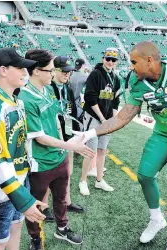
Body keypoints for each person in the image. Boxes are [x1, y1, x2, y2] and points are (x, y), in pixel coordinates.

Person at [74, 41, 167, 250]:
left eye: (133, 62)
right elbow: (122, 118)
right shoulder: (137, 83)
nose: (130, 67)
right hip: (163, 133)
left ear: (149, 60)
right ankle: (157, 219)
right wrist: (90, 132)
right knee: (145, 175)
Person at [18, 49, 94, 250]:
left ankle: (62, 229)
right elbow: (40, 138)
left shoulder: (49, 90)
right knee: (35, 205)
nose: (53, 74)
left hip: (59, 158)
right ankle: (35, 238)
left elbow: (57, 122)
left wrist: (66, 142)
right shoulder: (25, 98)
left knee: (61, 198)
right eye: (50, 70)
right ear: (35, 71)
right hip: (40, 163)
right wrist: (71, 146)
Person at [0, 48, 47, 250]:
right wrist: (21, 196)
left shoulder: (17, 101)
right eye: (20, 68)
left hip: (19, 181)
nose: (25, 72)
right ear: (3, 70)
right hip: (1, 189)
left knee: (16, 229)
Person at [79, 47, 123, 196]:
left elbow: (116, 100)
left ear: (116, 62)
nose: (110, 62)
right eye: (108, 59)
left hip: (106, 120)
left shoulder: (116, 78)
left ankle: (99, 180)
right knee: (90, 152)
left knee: (102, 151)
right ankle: (83, 181)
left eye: (113, 60)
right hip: (94, 118)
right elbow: (90, 97)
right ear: (103, 59)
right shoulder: (95, 74)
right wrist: (102, 118)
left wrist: (114, 119)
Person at [50, 56, 85, 213]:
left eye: (69, 71)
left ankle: (66, 201)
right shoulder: (47, 88)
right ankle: (43, 207)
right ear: (54, 70)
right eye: (64, 71)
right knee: (47, 174)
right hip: (50, 138)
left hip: (67, 135)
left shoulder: (68, 88)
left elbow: (72, 112)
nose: (67, 74)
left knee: (67, 171)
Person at [69, 58, 88, 128]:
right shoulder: (85, 76)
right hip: (77, 103)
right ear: (83, 65)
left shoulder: (70, 74)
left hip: (68, 101)